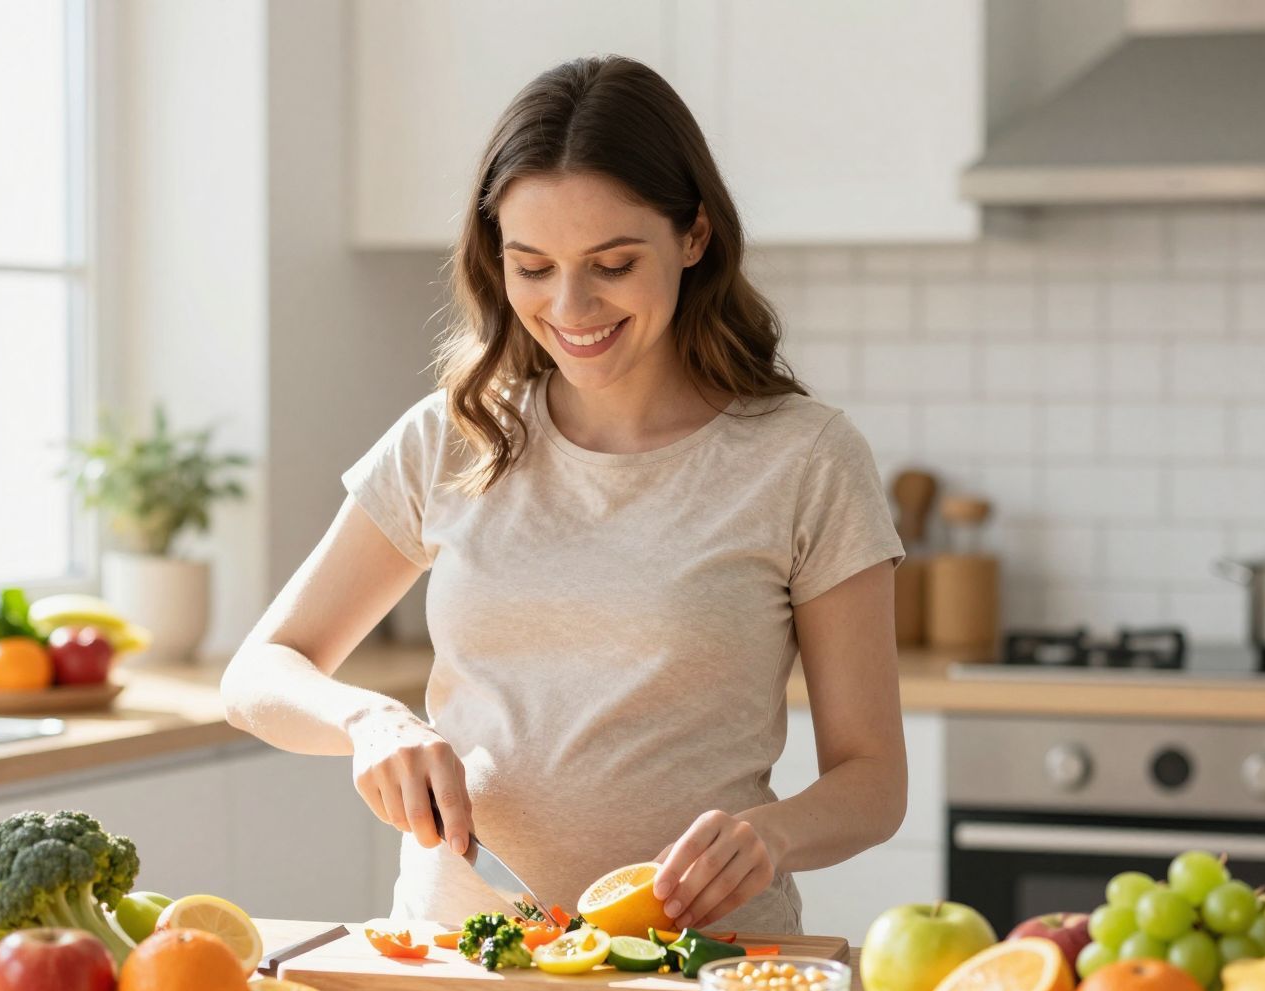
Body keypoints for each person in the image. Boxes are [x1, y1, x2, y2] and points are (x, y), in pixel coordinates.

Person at [221, 56, 907, 934]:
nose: (570, 305)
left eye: (613, 263)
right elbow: (257, 674)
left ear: (693, 236)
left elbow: (873, 778)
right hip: (462, 952)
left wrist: (770, 837)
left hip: (704, 966)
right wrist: (369, 721)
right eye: (533, 266)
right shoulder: (454, 434)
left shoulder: (805, 458)